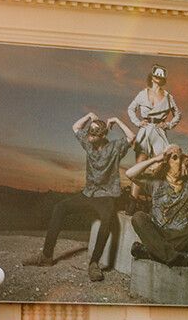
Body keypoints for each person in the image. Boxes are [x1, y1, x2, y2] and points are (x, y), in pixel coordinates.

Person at [41, 113, 128, 275]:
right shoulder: (88, 144)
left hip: (106, 196)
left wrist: (117, 120)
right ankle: (46, 256)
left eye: (94, 132)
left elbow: (132, 137)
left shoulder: (115, 148)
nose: (89, 134)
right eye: (90, 131)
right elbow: (76, 127)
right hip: (88, 194)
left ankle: (94, 264)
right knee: (60, 207)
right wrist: (89, 116)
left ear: (102, 136)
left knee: (107, 221)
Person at [132, 148, 188, 269]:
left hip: (181, 235)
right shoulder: (155, 182)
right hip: (158, 232)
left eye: (181, 157)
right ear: (166, 163)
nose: (180, 160)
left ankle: (151, 252)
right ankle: (177, 258)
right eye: (174, 157)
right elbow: (130, 174)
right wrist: (155, 159)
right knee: (138, 217)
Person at [126, 65, 181, 158]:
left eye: (161, 77)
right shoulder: (142, 94)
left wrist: (168, 125)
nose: (158, 78)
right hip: (145, 131)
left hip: (159, 131)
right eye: (156, 76)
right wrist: (138, 123)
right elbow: (131, 109)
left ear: (163, 80)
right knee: (140, 163)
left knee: (160, 163)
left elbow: (178, 114)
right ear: (151, 77)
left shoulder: (168, 97)